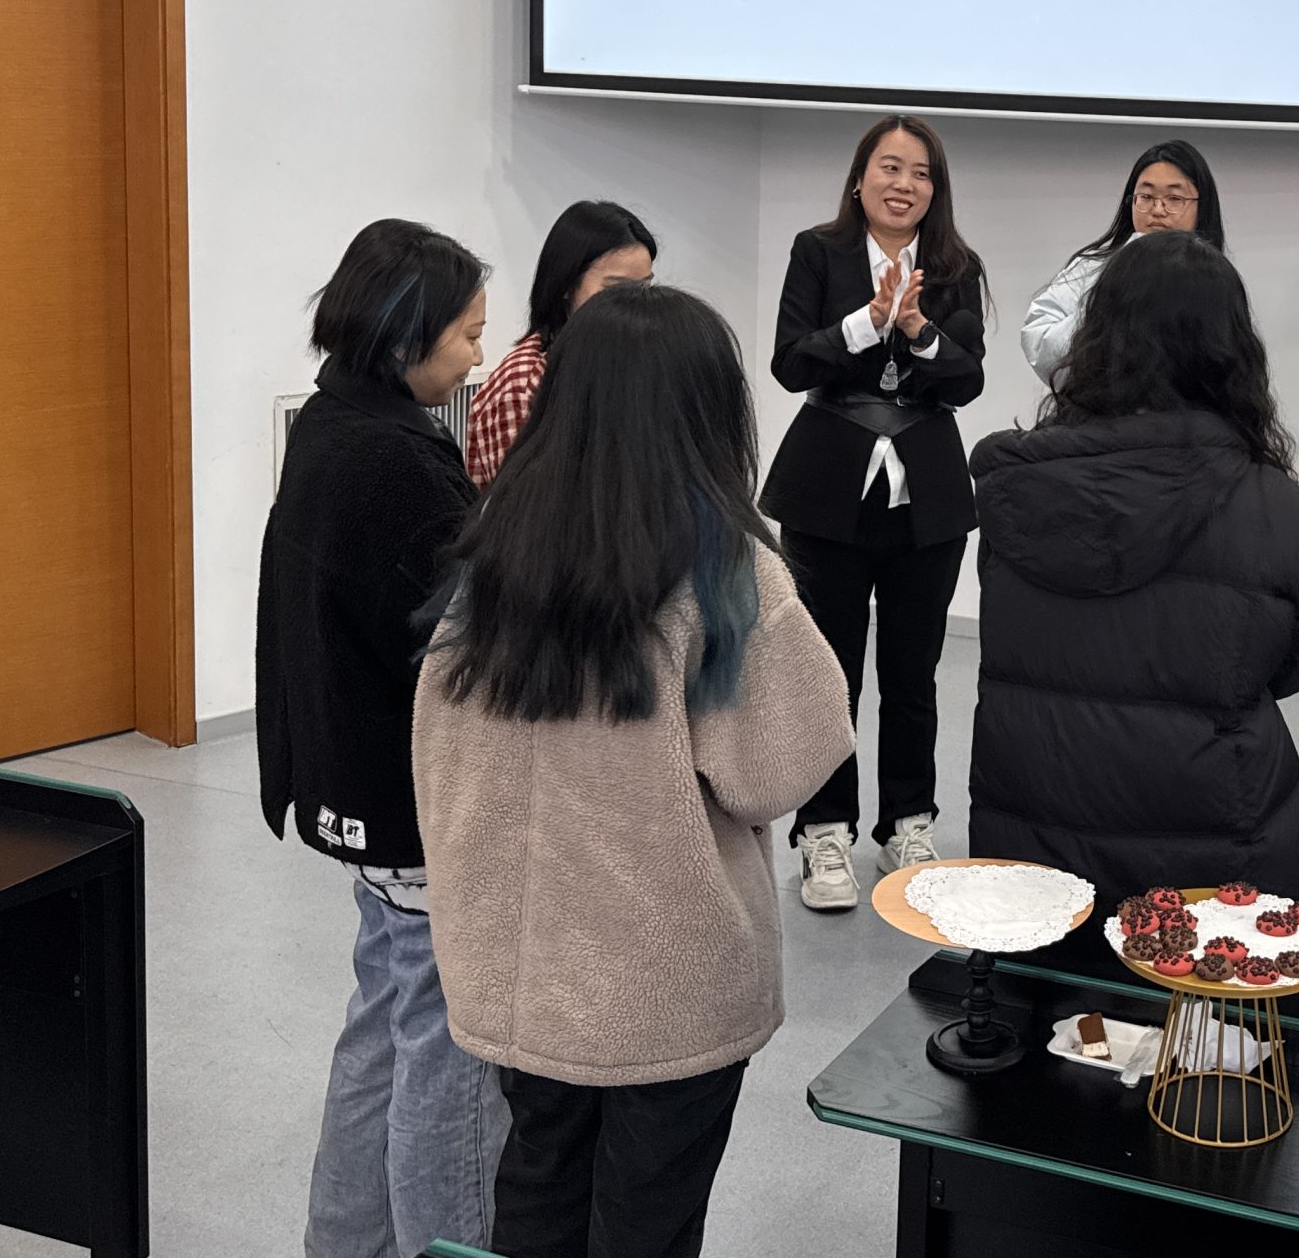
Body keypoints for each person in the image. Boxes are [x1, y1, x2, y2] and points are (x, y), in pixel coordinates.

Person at [415, 283, 852, 1258]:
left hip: (518, 971)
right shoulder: (724, 568)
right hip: (666, 980)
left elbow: (439, 756)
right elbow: (783, 765)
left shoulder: (492, 553)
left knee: (536, 1193)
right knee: (648, 1221)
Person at [969, 231, 1299, 922]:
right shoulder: (1267, 503)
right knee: (1208, 993)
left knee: (1053, 989)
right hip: (1212, 840)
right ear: (1232, 350)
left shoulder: (1017, 487)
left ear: (1096, 336)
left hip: (1037, 832)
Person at [255, 218, 505, 1257]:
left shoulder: (330, 420)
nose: (479, 357)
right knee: (448, 1056)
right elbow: (470, 650)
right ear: (407, 336)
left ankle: (345, 1241)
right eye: (467, 336)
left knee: (380, 1029)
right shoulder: (402, 464)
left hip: (348, 784)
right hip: (411, 805)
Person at [761, 115, 988, 912]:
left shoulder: (956, 267)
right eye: (890, 167)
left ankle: (908, 824)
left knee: (913, 671)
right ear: (860, 179)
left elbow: (967, 381)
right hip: (829, 487)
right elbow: (791, 364)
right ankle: (825, 832)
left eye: (921, 173)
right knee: (829, 672)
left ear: (936, 190)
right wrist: (866, 321)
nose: (904, 184)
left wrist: (919, 332)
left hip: (925, 490)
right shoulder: (817, 252)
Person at [465, 199, 658, 487]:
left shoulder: (633, 361)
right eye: (617, 289)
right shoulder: (523, 384)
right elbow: (528, 506)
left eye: (645, 288)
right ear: (566, 286)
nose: (635, 305)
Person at [1019, 139, 1225, 384]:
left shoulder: (1216, 279)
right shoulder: (1092, 267)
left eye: (1174, 199)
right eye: (1146, 196)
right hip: (1099, 403)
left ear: (1202, 207)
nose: (1158, 209)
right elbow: (1040, 346)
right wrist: (1109, 294)